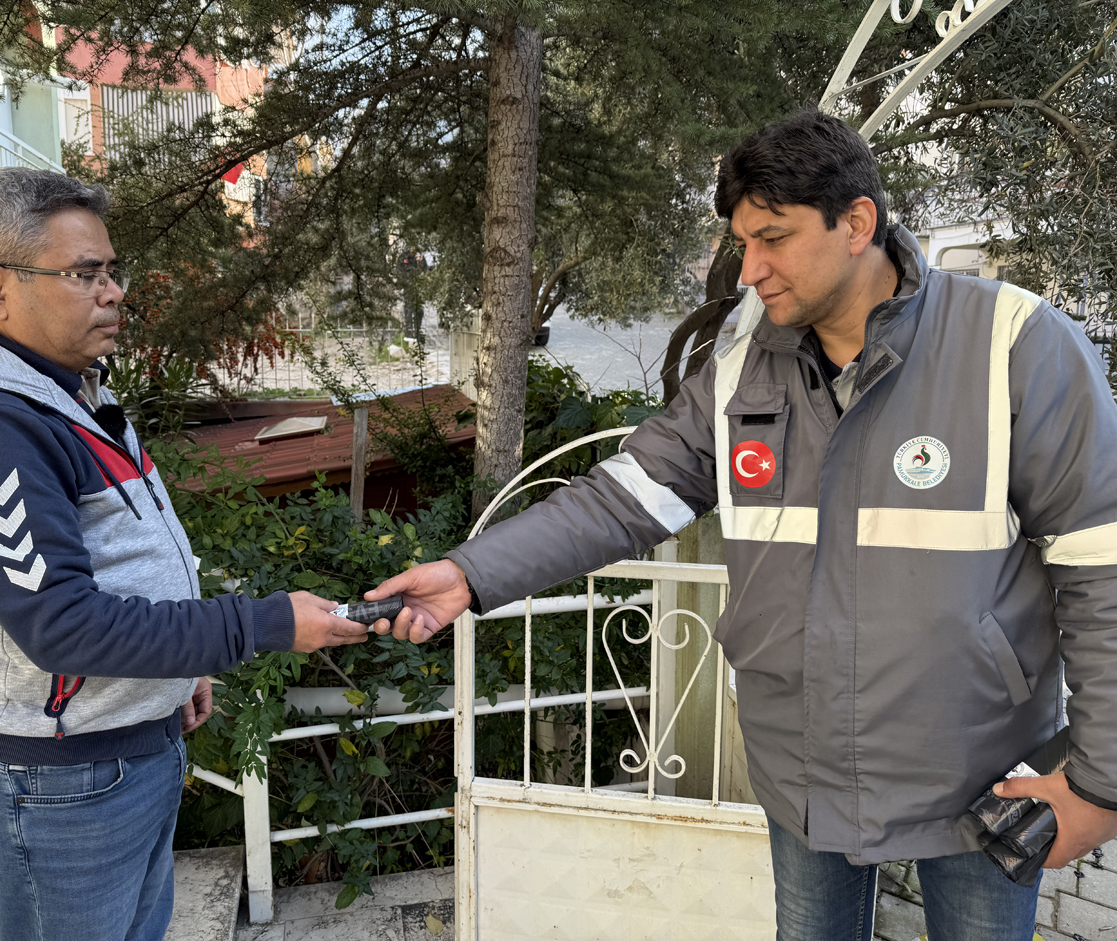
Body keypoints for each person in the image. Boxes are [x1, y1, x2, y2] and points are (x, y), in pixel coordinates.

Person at [366, 111, 1117, 940]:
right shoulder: (743, 361)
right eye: (741, 240)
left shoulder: (1014, 342)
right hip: (800, 766)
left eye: (773, 238)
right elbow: (625, 497)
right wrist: (470, 574)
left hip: (983, 769)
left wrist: (1099, 785)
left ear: (856, 222)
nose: (749, 268)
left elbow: (1102, 564)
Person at [0, 168, 387, 941]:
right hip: (60, 776)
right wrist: (266, 623)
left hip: (125, 740)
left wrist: (179, 667)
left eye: (113, 270)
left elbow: (122, 554)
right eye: (85, 273)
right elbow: (63, 628)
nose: (114, 291)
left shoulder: (65, 388)